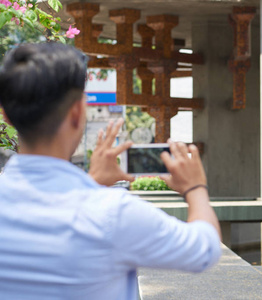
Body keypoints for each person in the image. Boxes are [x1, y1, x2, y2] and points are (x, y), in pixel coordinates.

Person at [0, 43, 221, 300]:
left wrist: (91, 183)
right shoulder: (113, 214)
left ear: (6, 116)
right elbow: (204, 250)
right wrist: (195, 188)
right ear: (77, 112)